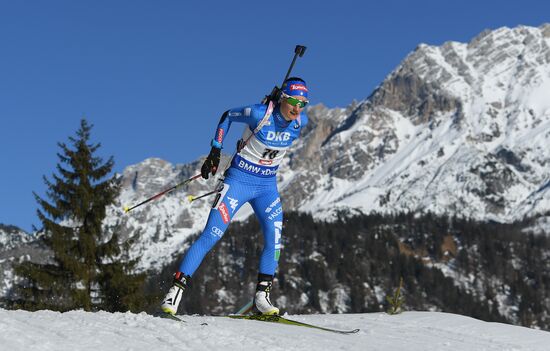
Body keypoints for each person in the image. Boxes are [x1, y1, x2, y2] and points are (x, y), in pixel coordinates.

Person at [161, 77, 309, 316]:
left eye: (303, 103)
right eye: (293, 100)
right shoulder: (259, 113)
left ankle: (262, 297)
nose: (297, 108)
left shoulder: (301, 121)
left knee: (275, 238)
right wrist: (215, 151)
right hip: (239, 181)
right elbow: (227, 116)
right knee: (212, 234)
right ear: (282, 97)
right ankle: (175, 290)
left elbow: (294, 116)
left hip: (267, 187)